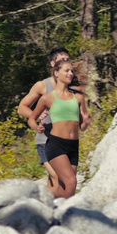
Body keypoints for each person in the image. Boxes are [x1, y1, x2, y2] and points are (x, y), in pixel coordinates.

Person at [28, 60, 91, 198]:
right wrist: (36, 127)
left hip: (73, 145)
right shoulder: (47, 98)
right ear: (56, 73)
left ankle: (50, 208)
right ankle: (68, 214)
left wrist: (86, 122)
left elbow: (82, 126)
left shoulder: (78, 97)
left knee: (63, 188)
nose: (70, 74)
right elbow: (31, 118)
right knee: (72, 182)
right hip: (56, 145)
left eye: (71, 71)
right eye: (66, 71)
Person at [18, 47, 70, 195]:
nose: (66, 63)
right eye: (62, 60)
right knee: (57, 175)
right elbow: (21, 108)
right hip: (45, 140)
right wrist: (37, 115)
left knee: (57, 180)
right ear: (53, 64)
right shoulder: (43, 85)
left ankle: (50, 208)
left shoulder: (72, 84)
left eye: (67, 60)